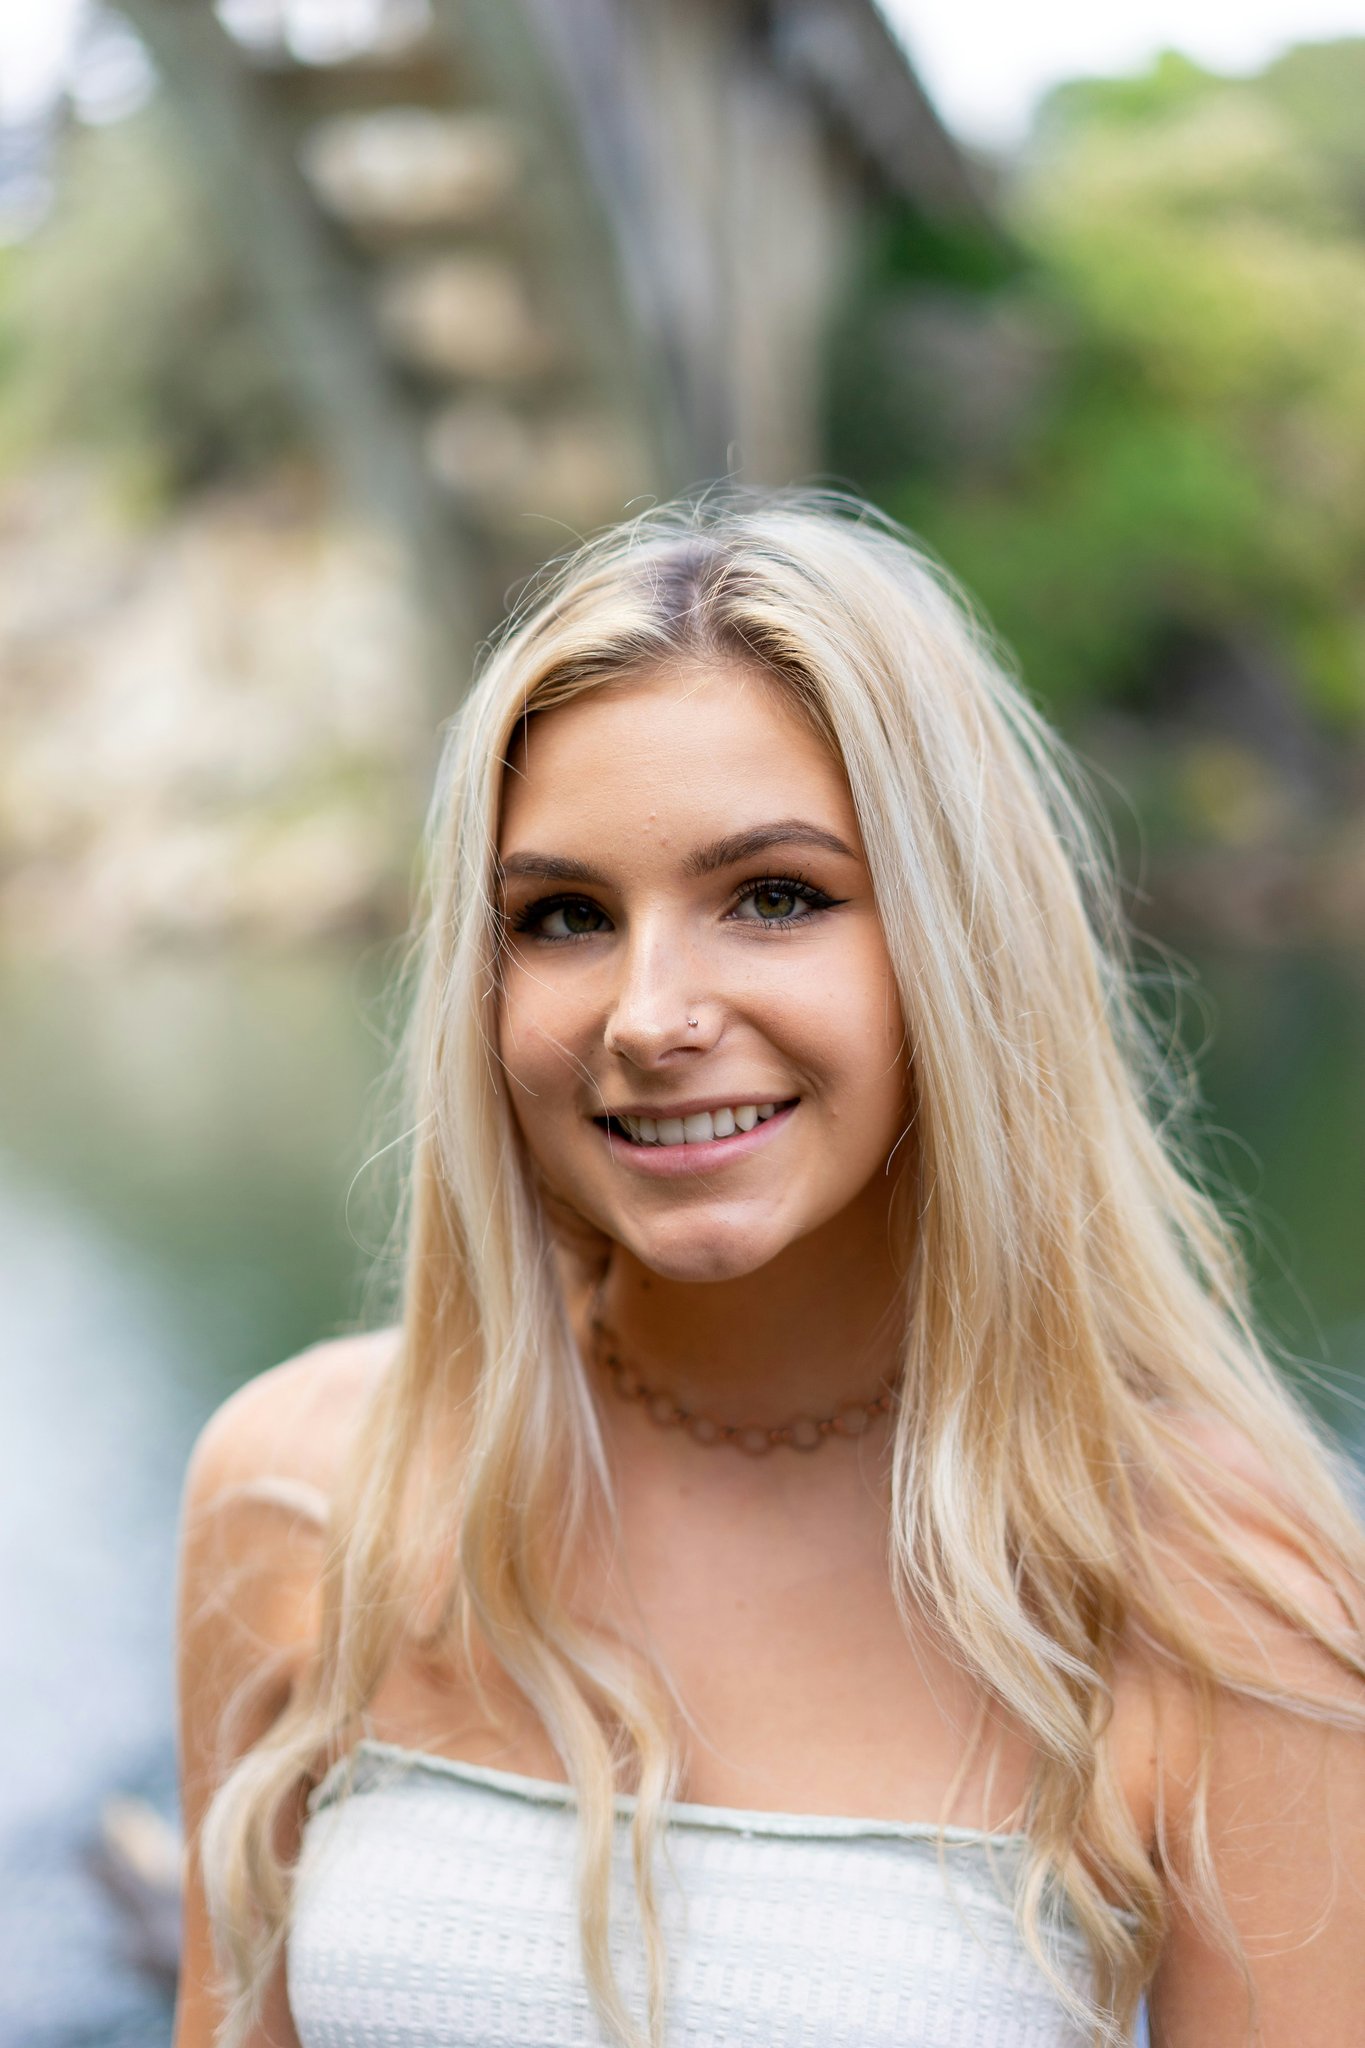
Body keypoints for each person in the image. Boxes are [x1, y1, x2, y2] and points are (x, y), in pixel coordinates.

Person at [172, 490, 1365, 2048]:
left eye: (776, 896)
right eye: (563, 917)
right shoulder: (302, 1488)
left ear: (957, 940)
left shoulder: (1212, 1576)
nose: (648, 1015)